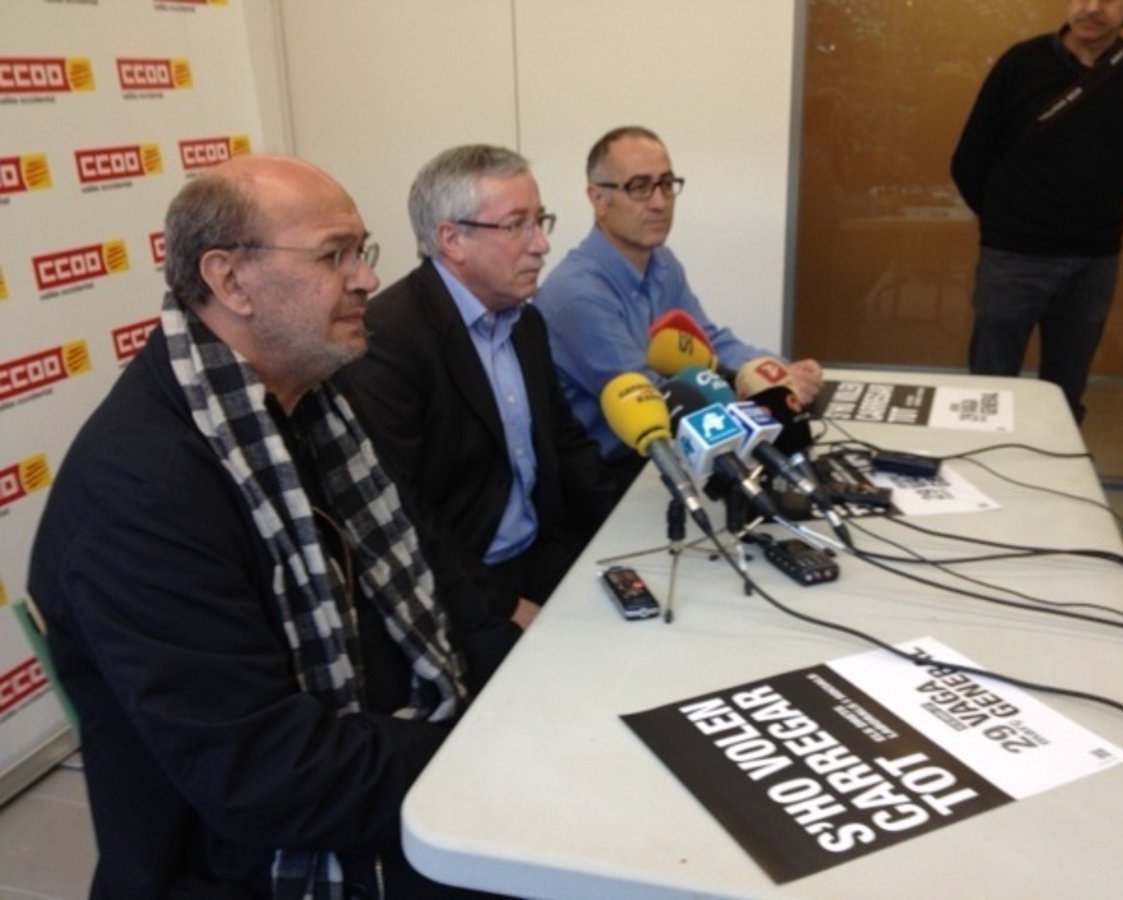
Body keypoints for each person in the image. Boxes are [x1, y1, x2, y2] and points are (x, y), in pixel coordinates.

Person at [27, 154, 521, 898]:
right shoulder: (142, 491)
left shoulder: (322, 403)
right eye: (333, 255)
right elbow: (269, 778)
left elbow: (444, 581)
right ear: (229, 280)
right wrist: (493, 755)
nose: (366, 278)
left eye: (361, 250)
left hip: (388, 763)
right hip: (255, 867)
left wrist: (532, 695)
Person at [339, 145, 616, 622]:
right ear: (451, 239)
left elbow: (567, 445)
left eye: (539, 221)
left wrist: (625, 528)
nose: (540, 244)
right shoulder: (387, 341)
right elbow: (406, 515)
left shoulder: (525, 323)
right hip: (456, 588)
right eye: (516, 225)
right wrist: (504, 607)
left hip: (543, 552)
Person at [535, 125, 823, 478]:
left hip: (670, 456)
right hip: (613, 476)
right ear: (598, 199)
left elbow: (707, 344)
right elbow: (653, 396)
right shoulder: (577, 293)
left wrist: (775, 371)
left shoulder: (662, 262)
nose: (659, 202)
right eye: (639, 187)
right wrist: (768, 394)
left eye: (666, 184)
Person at [951, 0, 1123, 422]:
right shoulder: (1022, 62)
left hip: (1095, 257)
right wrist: (1008, 222)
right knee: (990, 391)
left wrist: (1091, 208)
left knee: (1066, 395)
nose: (1092, 8)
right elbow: (969, 160)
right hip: (1013, 256)